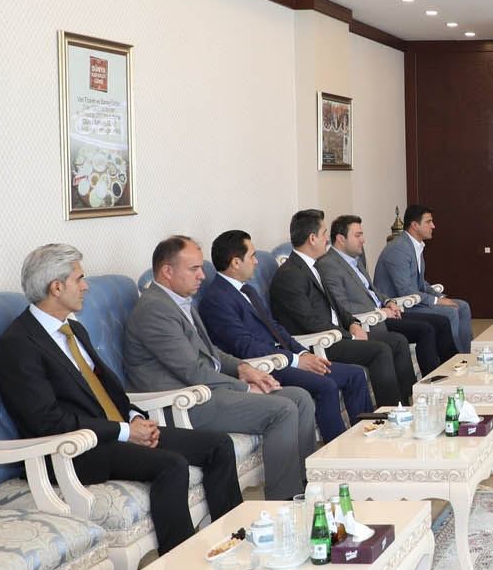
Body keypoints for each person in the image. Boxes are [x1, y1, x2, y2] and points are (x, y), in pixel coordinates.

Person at [0, 244, 241, 553]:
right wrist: (124, 431)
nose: (86, 286)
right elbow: (47, 422)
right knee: (171, 464)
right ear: (56, 287)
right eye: (79, 278)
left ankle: (233, 542)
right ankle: (181, 561)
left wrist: (134, 417)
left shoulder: (73, 330)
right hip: (71, 450)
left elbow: (109, 390)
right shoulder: (18, 345)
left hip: (113, 433)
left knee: (218, 445)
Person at [123, 235, 317, 500]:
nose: (202, 276)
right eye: (194, 269)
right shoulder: (154, 310)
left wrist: (244, 369)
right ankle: (284, 500)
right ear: (167, 271)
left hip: (207, 390)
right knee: (282, 409)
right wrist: (244, 388)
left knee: (300, 397)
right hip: (181, 402)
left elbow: (211, 353)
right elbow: (192, 371)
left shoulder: (178, 300)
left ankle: (307, 485)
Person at [200, 230, 373, 443]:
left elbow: (276, 328)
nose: (256, 262)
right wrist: (295, 360)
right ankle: (337, 451)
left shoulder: (248, 291)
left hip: (285, 357)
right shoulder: (216, 299)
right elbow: (243, 346)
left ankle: (366, 439)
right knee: (326, 385)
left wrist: (303, 353)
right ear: (236, 262)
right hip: (265, 366)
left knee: (354, 375)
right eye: (252, 256)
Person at [270, 209, 412, 407]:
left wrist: (352, 322)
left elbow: (336, 305)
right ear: (312, 238)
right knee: (380, 350)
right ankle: (390, 412)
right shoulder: (290, 274)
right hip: (320, 342)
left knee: (397, 341)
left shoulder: (314, 265)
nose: (327, 239)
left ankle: (406, 403)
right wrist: (349, 335)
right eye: (323, 234)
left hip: (337, 333)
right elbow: (308, 322)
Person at [319, 214, 455, 374]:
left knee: (441, 322)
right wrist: (380, 312)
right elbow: (341, 306)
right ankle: (432, 380)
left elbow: (372, 290)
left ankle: (451, 371)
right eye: (358, 235)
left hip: (384, 313)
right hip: (371, 320)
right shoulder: (329, 264)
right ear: (341, 239)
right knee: (425, 329)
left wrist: (388, 301)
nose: (363, 240)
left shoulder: (355, 258)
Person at [374, 204, 472, 353]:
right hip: (400, 305)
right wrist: (436, 301)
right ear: (415, 225)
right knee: (450, 312)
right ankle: (454, 359)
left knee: (462, 306)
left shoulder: (415, 246)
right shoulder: (398, 249)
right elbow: (405, 290)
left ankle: (465, 355)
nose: (433, 226)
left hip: (414, 301)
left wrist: (440, 296)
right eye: (428, 222)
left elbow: (421, 284)